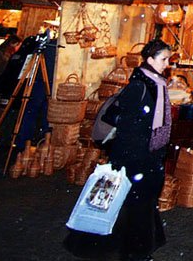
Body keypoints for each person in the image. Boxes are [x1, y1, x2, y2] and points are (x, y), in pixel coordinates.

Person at [65, 38, 173, 261]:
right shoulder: (140, 86)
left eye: (168, 59)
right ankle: (132, 249)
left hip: (147, 153)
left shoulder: (156, 84)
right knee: (132, 201)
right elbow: (128, 127)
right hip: (136, 155)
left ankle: (139, 245)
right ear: (150, 60)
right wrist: (138, 156)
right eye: (163, 59)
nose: (167, 64)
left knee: (140, 201)